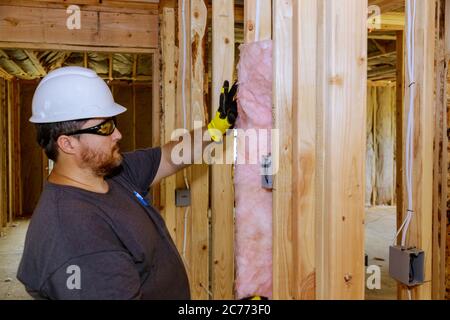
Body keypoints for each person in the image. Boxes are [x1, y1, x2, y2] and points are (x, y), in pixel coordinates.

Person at [16, 66, 238, 300]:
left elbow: (170, 157)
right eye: (105, 127)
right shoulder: (75, 235)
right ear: (67, 144)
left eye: (114, 122)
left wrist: (216, 128)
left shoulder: (111, 173)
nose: (118, 134)